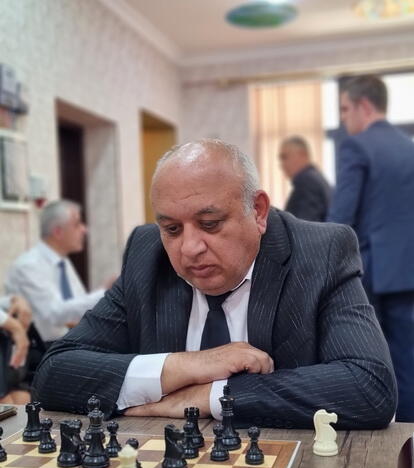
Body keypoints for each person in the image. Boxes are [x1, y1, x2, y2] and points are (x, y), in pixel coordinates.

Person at [33, 139, 396, 430]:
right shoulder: (148, 255)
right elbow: (54, 372)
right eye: (172, 229)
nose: (189, 248)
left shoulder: (321, 253)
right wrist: (185, 367)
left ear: (258, 211)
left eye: (210, 224)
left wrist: (211, 396)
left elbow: (370, 387)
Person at [328, 75, 414, 422]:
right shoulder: (409, 147)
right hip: (408, 271)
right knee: (408, 360)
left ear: (364, 106)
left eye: (345, 109)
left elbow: (341, 220)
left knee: (368, 365)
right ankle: (409, 438)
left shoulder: (357, 146)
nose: (343, 119)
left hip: (372, 274)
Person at [5, 200, 112, 344]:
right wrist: (105, 293)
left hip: (70, 344)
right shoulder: (28, 266)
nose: (84, 229)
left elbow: (77, 309)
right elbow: (55, 313)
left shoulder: (63, 261)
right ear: (58, 232)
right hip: (42, 350)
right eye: (77, 224)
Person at [279, 136, 331, 222]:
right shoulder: (314, 178)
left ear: (302, 154)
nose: (282, 164)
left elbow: (304, 225)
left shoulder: (307, 182)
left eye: (285, 157)